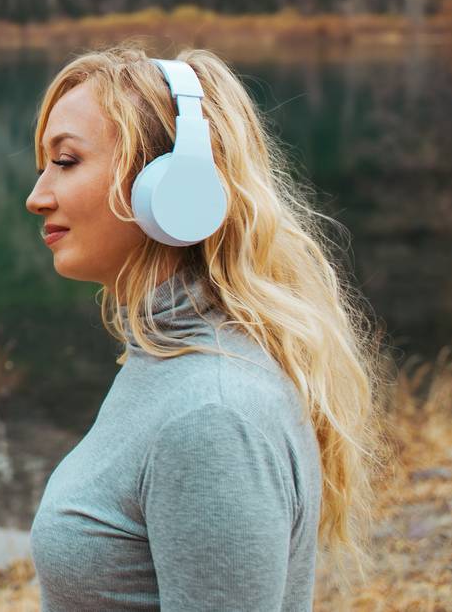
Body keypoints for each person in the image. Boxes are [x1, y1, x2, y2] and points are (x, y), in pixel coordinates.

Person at [24, 42, 383, 611]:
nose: (37, 196)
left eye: (65, 162)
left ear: (171, 182)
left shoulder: (212, 414)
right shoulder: (168, 361)